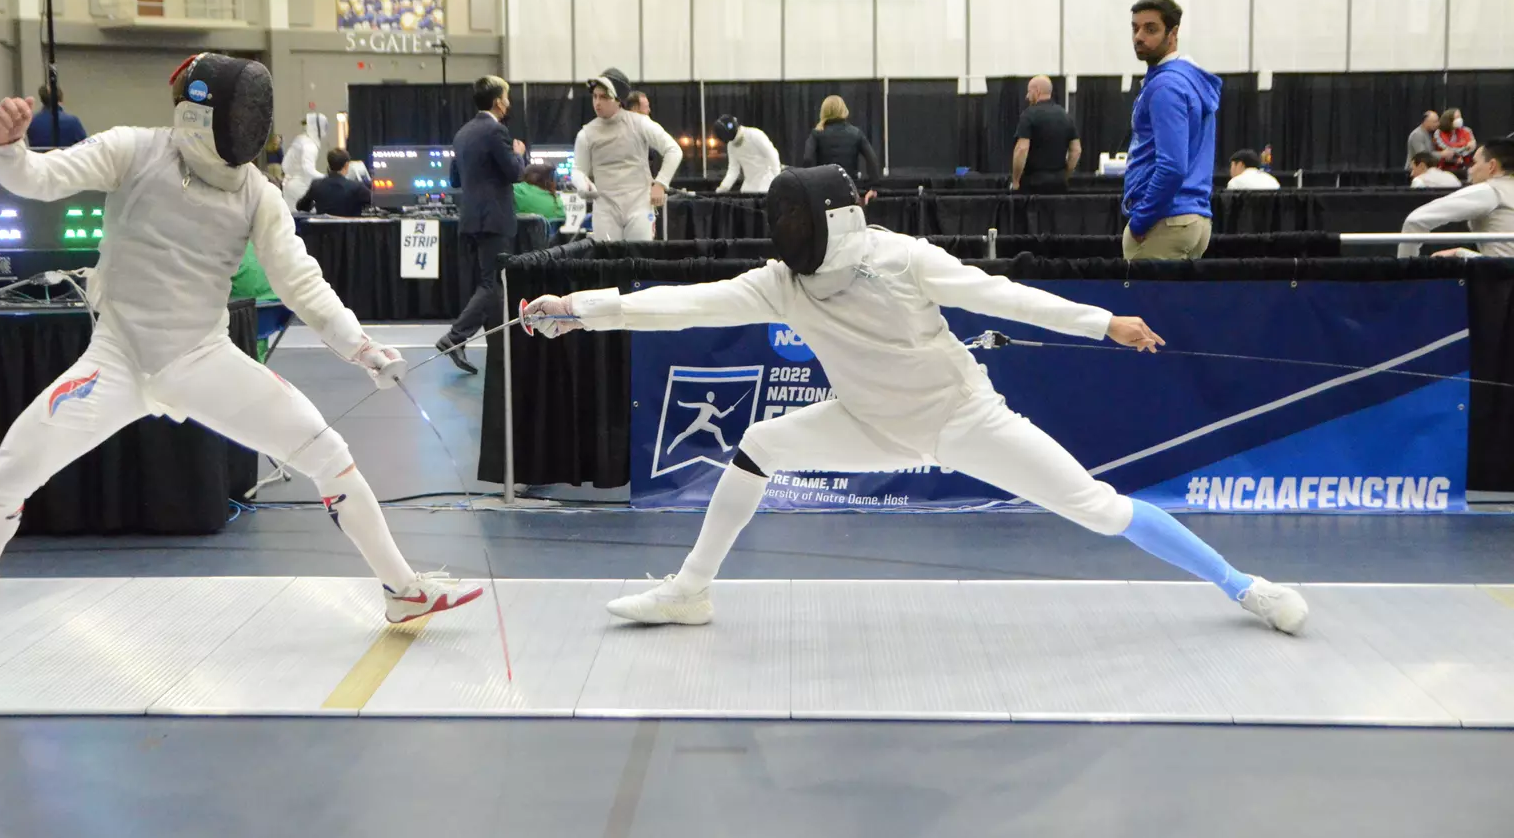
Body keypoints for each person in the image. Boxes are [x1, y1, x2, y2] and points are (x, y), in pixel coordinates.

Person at [522, 165, 1306, 635]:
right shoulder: (780, 282)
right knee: (761, 441)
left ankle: (1244, 587)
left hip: (964, 421)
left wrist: (1102, 322)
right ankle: (689, 592)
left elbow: (999, 295)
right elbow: (678, 302)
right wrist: (576, 308)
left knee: (1099, 509)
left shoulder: (901, 259)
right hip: (868, 423)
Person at [0, 55, 481, 648]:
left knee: (328, 453)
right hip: (114, 362)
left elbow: (300, 281)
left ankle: (402, 590)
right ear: (200, 113)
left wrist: (359, 345)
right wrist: (10, 148)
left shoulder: (256, 195)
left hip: (202, 360)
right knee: (6, 476)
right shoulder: (134, 150)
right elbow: (38, 179)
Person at [439, 75, 527, 374]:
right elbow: (515, 173)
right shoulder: (496, 132)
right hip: (494, 218)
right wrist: (518, 154)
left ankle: (490, 343)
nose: (510, 102)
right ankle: (455, 336)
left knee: (492, 283)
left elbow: (454, 180)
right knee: (493, 284)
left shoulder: (463, 133)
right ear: (498, 102)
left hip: (471, 218)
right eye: (508, 96)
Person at [1123, 0, 1219, 261]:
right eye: (1135, 28)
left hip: (1165, 220)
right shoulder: (1189, 80)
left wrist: (1140, 221)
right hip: (1192, 217)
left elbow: (1173, 166)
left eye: (1150, 29)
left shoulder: (1166, 87)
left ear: (1173, 33)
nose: (1139, 37)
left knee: (1137, 304)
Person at [572, 72, 682, 241]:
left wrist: (660, 184)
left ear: (618, 99)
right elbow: (578, 170)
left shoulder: (640, 123)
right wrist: (582, 185)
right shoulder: (586, 134)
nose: (597, 103)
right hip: (605, 208)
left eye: (603, 97)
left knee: (640, 261)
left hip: (640, 206)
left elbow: (673, 150)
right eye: (595, 97)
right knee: (608, 263)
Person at [1399, 139, 1514, 258]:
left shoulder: (1490, 191)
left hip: (1500, 275)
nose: (1470, 170)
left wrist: (1405, 269)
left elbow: (1414, 221)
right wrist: (1461, 253)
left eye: (1473, 163)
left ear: (1492, 166)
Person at [1011, 76, 1080, 193]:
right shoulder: (1065, 116)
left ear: (1037, 91)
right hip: (1059, 184)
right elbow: (1076, 150)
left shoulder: (1028, 115)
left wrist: (1016, 180)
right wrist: (1065, 175)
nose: (1027, 96)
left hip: (1033, 184)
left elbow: (1021, 149)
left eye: (1029, 91)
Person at [802, 95, 880, 186]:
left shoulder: (817, 133)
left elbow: (807, 159)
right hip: (850, 185)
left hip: (824, 186)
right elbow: (872, 159)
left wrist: (809, 182)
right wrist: (873, 186)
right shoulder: (856, 133)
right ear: (844, 110)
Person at [713, 115, 782, 195]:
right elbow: (733, 170)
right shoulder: (731, 145)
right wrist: (722, 189)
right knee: (744, 202)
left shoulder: (755, 135)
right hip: (750, 183)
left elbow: (772, 155)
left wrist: (776, 180)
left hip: (767, 180)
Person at [296, 148, 372, 217]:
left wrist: (313, 203)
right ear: (346, 165)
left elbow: (300, 206)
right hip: (349, 231)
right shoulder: (357, 187)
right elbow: (377, 203)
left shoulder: (316, 185)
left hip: (323, 231)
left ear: (329, 165)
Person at [282, 112, 329, 211]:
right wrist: (326, 178)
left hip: (289, 184)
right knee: (310, 214)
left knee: (292, 219)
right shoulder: (309, 145)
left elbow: (285, 164)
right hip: (299, 185)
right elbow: (308, 169)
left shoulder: (300, 140)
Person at [25, 83, 87, 149]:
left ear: (42, 100)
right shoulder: (73, 121)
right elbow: (86, 147)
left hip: (41, 158)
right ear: (61, 98)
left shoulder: (31, 122)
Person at [1433, 109, 1477, 176]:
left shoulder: (1467, 130)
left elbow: (1472, 148)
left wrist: (1461, 151)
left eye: (1460, 117)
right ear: (1449, 119)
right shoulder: (1438, 133)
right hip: (1444, 168)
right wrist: (1465, 147)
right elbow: (1446, 148)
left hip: (1464, 167)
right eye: (1457, 117)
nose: (1460, 119)